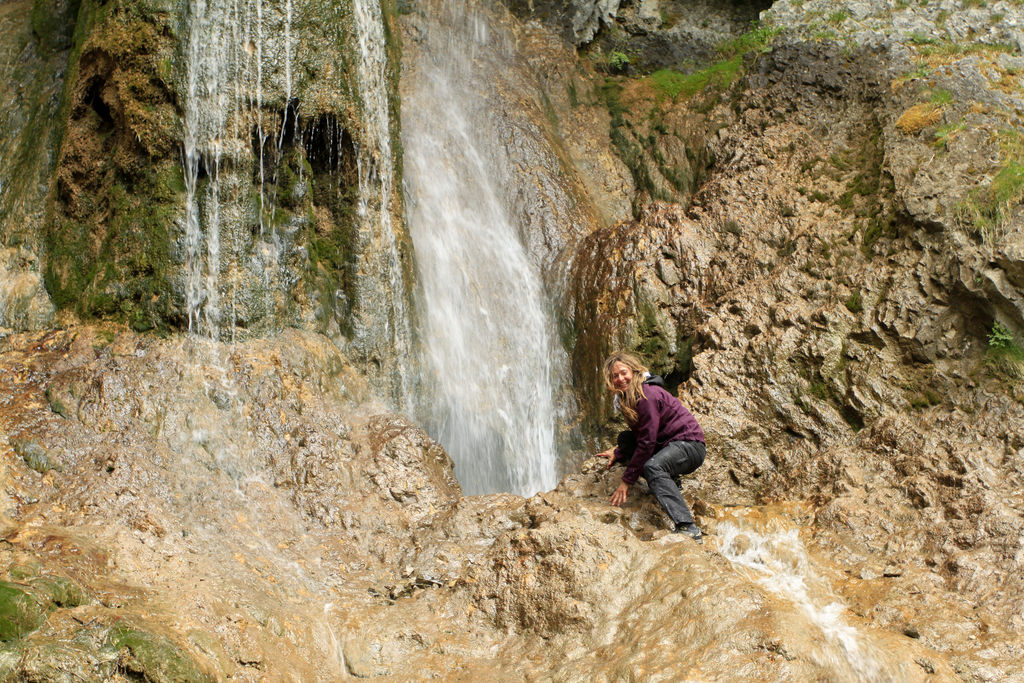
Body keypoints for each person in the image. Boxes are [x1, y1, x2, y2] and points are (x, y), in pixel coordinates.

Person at [596, 352, 706, 541]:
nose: (620, 379)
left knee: (653, 466)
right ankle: (670, 482)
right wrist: (618, 452)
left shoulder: (646, 394)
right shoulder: (630, 397)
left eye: (624, 372)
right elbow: (641, 436)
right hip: (670, 444)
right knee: (625, 439)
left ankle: (687, 526)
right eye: (615, 376)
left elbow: (647, 442)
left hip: (689, 445)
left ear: (634, 371)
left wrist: (626, 481)